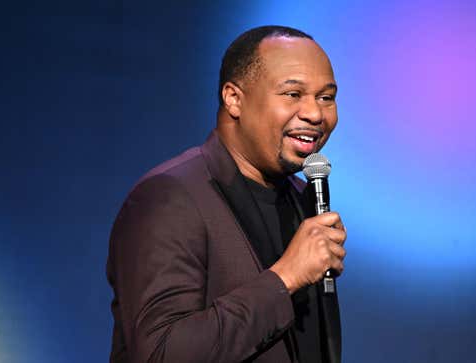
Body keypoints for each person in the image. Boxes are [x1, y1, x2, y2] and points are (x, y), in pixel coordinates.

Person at [107, 25, 347, 363]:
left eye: (326, 97)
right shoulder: (169, 196)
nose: (315, 114)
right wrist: (286, 278)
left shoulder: (303, 197)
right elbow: (161, 352)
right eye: (293, 94)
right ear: (233, 98)